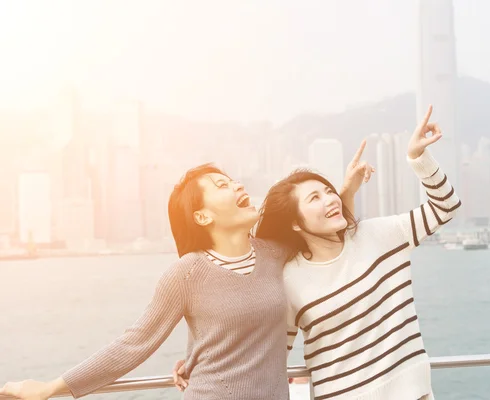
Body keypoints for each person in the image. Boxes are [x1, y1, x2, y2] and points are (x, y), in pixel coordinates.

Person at [0, 159, 372, 400]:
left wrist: (347, 191)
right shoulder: (186, 273)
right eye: (222, 186)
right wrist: (51, 387)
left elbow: (328, 238)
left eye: (232, 180)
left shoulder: (276, 252)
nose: (237, 186)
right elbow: (135, 344)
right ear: (202, 218)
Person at [255, 105, 462, 400]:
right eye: (315, 197)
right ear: (294, 223)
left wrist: (418, 158)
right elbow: (272, 357)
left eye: (329, 191)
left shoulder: (379, 235)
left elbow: (445, 207)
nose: (330, 199)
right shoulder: (289, 280)